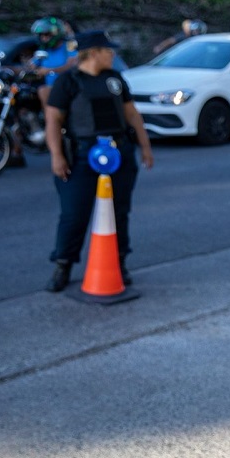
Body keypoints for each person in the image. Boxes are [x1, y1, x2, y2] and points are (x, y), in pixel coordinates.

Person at [44, 31, 154, 292]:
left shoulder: (115, 79)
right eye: (107, 50)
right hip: (81, 156)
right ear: (93, 53)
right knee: (74, 214)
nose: (112, 54)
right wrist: (57, 156)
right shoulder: (67, 82)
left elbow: (132, 114)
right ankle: (63, 264)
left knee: (119, 212)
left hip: (119, 154)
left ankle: (119, 262)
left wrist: (145, 147)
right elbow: (53, 121)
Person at [18, 17, 77, 168]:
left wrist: (49, 70)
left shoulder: (68, 46)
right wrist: (12, 70)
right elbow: (31, 66)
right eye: (42, 35)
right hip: (51, 90)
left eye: (47, 35)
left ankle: (51, 121)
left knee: (43, 90)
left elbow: (72, 64)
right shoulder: (43, 51)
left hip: (65, 89)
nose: (44, 38)